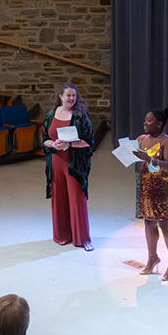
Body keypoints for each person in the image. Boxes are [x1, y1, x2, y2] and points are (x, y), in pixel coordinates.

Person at [42, 82, 94, 251]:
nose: (72, 98)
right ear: (61, 97)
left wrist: (69, 145)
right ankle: (62, 235)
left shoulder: (80, 116)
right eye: (68, 95)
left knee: (76, 198)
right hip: (56, 161)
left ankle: (82, 239)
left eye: (74, 95)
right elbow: (44, 138)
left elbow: (89, 141)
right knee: (59, 198)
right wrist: (53, 144)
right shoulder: (51, 114)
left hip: (74, 163)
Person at [134, 107, 168, 281]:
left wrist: (150, 159)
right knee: (148, 222)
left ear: (159, 124)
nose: (145, 123)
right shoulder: (141, 139)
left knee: (165, 224)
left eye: (149, 120)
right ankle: (152, 257)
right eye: (145, 120)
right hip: (145, 186)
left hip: (162, 188)